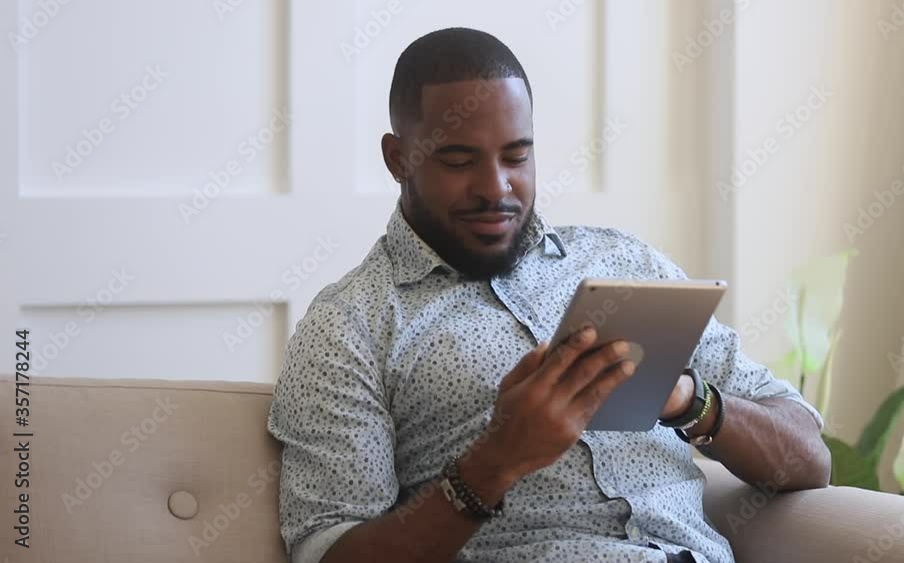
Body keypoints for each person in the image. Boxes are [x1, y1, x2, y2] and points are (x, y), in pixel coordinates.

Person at [267, 27, 831, 563]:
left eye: (516, 156)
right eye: (459, 161)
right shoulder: (349, 327)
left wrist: (686, 399)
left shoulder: (624, 262)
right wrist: (495, 461)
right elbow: (329, 552)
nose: (496, 187)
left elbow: (810, 459)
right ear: (398, 159)